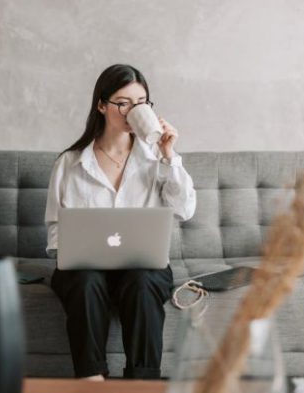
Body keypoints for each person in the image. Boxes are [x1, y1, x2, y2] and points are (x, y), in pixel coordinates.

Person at [44, 64, 197, 380]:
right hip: (84, 270)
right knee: (86, 281)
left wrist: (169, 155)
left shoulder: (156, 158)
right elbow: (56, 230)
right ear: (101, 105)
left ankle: (142, 383)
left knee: (142, 282)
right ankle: (91, 381)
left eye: (141, 103)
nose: (133, 111)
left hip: (142, 267)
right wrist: (72, 251)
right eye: (123, 102)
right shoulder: (69, 163)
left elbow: (185, 210)